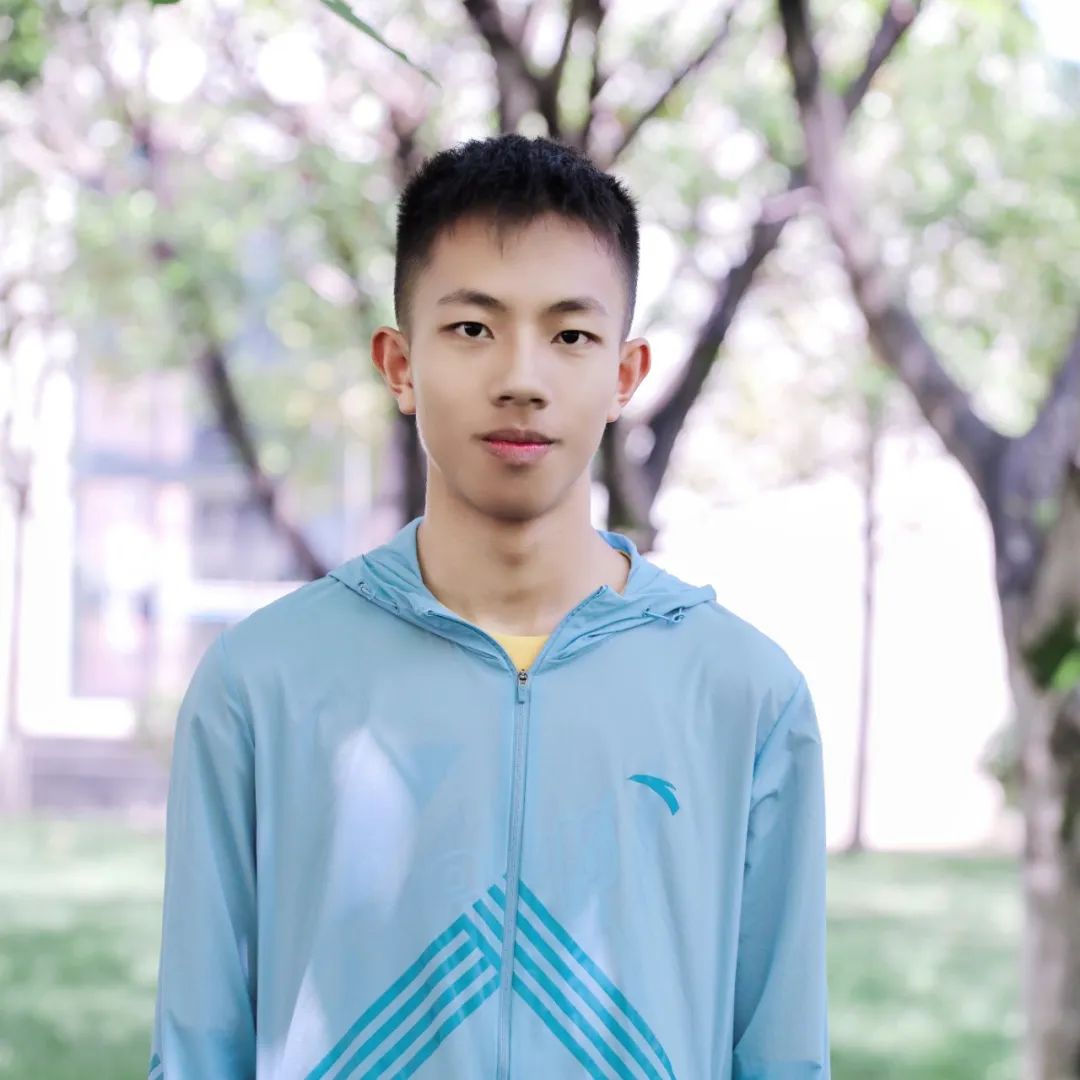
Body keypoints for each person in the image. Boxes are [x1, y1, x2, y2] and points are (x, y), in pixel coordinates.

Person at [149, 133, 830, 1080]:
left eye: (570, 335)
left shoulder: (744, 696)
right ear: (399, 364)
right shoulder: (260, 684)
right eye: (473, 328)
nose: (521, 378)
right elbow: (197, 1055)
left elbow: (784, 1057)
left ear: (625, 375)